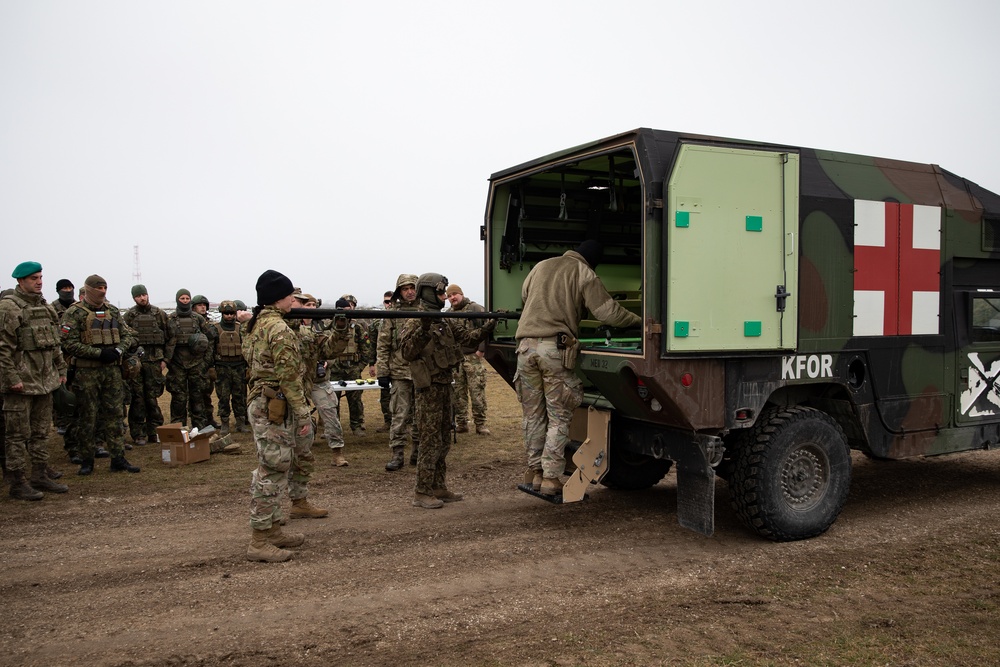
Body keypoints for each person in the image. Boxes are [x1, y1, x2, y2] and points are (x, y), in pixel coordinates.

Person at [515, 240, 641, 496]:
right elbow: (608, 313)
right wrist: (640, 321)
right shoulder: (584, 272)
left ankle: (536, 473)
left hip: (525, 348)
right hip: (554, 350)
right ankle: (551, 479)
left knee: (533, 416)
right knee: (558, 417)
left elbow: (525, 297)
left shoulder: (540, 266)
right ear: (592, 261)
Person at [399, 273, 495, 508]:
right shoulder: (415, 320)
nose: (444, 297)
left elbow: (468, 339)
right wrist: (423, 327)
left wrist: (489, 325)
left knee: (443, 440)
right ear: (429, 292)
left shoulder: (445, 320)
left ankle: (438, 486)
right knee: (429, 441)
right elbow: (407, 352)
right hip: (428, 388)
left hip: (444, 385)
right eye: (441, 292)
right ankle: (422, 492)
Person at [243, 270, 319, 562]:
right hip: (275, 406)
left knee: (274, 466)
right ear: (280, 297)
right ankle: (259, 540)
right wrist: (302, 413)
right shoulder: (280, 329)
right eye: (290, 295)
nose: (293, 300)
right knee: (272, 470)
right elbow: (289, 377)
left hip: (263, 402)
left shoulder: (255, 325)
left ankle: (273, 530)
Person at [0, 261, 69, 499]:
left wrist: (60, 369)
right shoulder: (9, 308)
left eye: (40, 277)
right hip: (20, 384)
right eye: (33, 278)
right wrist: (11, 378)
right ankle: (18, 481)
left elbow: (54, 343)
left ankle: (40, 475)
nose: (39, 282)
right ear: (20, 281)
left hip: (44, 382)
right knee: (17, 436)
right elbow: (3, 348)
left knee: (41, 432)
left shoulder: (45, 307)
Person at [59, 274, 141, 475]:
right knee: (88, 416)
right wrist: (98, 353)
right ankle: (87, 459)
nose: (103, 291)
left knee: (114, 414)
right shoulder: (74, 313)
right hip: (86, 372)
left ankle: (118, 458)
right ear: (87, 290)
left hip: (112, 370)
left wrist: (118, 351)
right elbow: (68, 343)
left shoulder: (112, 311)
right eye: (98, 288)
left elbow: (129, 335)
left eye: (105, 288)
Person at [293, 293, 350, 467]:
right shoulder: (290, 326)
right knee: (294, 418)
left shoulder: (323, 325)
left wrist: (341, 327)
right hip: (296, 382)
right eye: (306, 305)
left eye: (312, 305)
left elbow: (331, 349)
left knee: (330, 414)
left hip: (319, 380)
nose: (310, 308)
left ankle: (337, 452)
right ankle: (298, 451)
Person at [376, 274, 420, 471]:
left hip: (422, 372)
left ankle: (418, 452)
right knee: (400, 415)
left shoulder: (425, 310)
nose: (410, 291)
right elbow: (383, 344)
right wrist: (382, 372)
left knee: (421, 415)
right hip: (400, 372)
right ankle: (397, 453)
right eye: (405, 288)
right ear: (399, 292)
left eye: (413, 287)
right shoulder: (392, 314)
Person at [122, 284, 169, 445]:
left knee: (152, 397)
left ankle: (154, 431)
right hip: (137, 363)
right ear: (134, 298)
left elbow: (170, 338)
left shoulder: (159, 314)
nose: (142, 298)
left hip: (154, 361)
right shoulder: (129, 316)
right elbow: (124, 338)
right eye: (138, 296)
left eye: (144, 295)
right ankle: (138, 433)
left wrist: (165, 360)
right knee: (138, 398)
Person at [445, 284, 490, 435]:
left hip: (473, 357)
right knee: (458, 394)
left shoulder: (475, 309)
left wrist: (481, 350)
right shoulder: (448, 313)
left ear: (461, 294)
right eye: (450, 296)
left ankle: (480, 424)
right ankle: (461, 423)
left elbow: (487, 327)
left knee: (477, 392)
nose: (453, 298)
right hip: (456, 360)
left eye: (455, 294)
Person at [165, 289, 213, 428]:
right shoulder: (170, 319)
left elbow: (210, 339)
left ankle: (200, 428)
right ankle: (178, 429)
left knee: (197, 398)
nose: (185, 301)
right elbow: (166, 341)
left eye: (187, 298)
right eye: (182, 298)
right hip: (177, 365)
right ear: (177, 300)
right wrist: (168, 362)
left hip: (196, 364)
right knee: (178, 399)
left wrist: (205, 361)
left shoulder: (198, 319)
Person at [326, 297, 373, 437]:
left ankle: (357, 425)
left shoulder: (356, 327)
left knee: (355, 399)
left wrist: (360, 367)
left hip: (352, 368)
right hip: (334, 368)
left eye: (348, 311)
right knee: (332, 401)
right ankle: (333, 428)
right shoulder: (329, 326)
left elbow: (366, 348)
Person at [212, 301, 248, 434]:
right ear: (222, 313)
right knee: (223, 397)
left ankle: (240, 423)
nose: (229, 316)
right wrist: (211, 367)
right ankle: (224, 423)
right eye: (226, 313)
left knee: (239, 396)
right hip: (222, 368)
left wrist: (248, 367)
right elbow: (211, 349)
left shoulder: (241, 328)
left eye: (231, 313)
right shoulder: (215, 329)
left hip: (239, 367)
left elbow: (247, 347)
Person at [191, 295, 220, 428]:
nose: (202, 307)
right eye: (199, 305)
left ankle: (209, 419)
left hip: (208, 365)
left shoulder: (211, 326)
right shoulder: (191, 323)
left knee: (207, 394)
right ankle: (197, 421)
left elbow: (213, 347)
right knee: (194, 395)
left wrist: (211, 364)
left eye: (204, 305)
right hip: (193, 364)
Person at [371, 290, 394, 433]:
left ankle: (407, 423)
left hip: (401, 363)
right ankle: (388, 421)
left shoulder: (404, 318)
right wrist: (371, 364)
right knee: (385, 394)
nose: (389, 304)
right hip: (384, 362)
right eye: (386, 301)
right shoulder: (377, 324)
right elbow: (374, 345)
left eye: (391, 301)